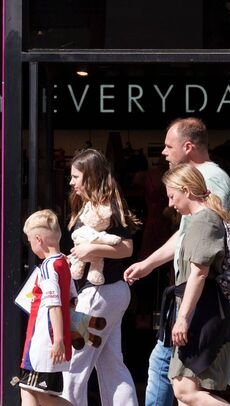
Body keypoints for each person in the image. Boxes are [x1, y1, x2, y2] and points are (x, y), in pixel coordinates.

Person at [125, 117, 230, 406]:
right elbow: (187, 236)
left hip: (203, 294)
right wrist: (149, 264)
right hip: (199, 292)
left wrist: (184, 315)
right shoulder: (201, 181)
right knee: (216, 365)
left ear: (188, 146)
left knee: (170, 369)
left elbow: (203, 240)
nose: (163, 152)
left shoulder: (210, 181)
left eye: (168, 146)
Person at [63, 149, 141, 406]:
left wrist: (91, 250)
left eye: (76, 177)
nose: (71, 182)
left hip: (99, 293)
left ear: (91, 176)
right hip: (107, 293)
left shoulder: (110, 207)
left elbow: (127, 248)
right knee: (111, 364)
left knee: (75, 361)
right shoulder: (90, 205)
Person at [160, 163, 230, 406]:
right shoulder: (199, 220)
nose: (170, 203)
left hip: (202, 311)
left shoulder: (204, 221)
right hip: (199, 308)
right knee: (186, 395)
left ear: (186, 190)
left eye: (172, 196)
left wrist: (182, 318)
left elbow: (199, 274)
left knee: (185, 390)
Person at [16, 210, 75, 406]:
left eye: (29, 241)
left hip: (43, 343)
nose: (31, 246)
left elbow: (54, 304)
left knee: (35, 392)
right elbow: (71, 301)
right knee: (36, 392)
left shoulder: (49, 267)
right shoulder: (63, 263)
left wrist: (58, 340)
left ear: (38, 239)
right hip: (50, 341)